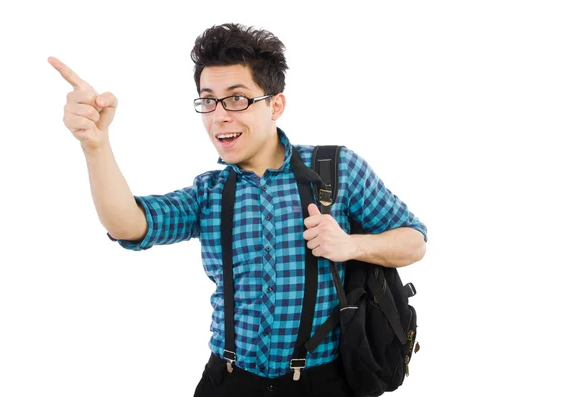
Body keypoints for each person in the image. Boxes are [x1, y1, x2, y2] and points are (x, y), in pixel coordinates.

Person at [48, 22, 427, 397]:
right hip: (229, 381)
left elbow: (414, 241)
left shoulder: (337, 168)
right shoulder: (209, 192)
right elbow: (130, 224)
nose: (218, 116)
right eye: (207, 100)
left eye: (237, 98)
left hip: (322, 383)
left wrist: (352, 246)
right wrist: (95, 145)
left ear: (275, 104)